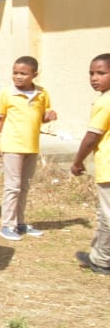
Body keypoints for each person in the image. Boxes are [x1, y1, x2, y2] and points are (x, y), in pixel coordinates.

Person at [0, 56, 57, 241]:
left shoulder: (42, 93)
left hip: (32, 146)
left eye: (23, 73)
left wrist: (49, 116)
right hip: (12, 145)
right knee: (12, 186)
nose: (18, 77)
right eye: (15, 72)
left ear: (34, 74)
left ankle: (20, 222)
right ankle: (7, 224)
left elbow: (41, 117)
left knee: (24, 186)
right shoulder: (7, 93)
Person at [72, 54, 110, 275]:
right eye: (91, 73)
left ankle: (102, 260)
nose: (95, 78)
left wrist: (77, 161)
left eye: (101, 73)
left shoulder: (104, 102)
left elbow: (92, 137)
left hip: (107, 167)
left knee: (106, 216)